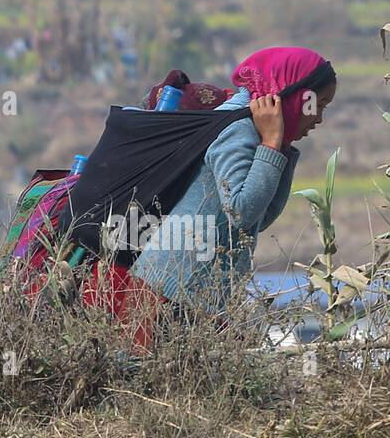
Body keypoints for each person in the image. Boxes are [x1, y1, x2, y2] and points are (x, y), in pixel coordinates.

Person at [82, 46, 336, 348]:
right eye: (317, 104)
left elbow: (259, 217)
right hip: (169, 294)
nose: (318, 118)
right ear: (293, 92)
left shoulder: (251, 129)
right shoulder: (236, 127)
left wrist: (279, 148)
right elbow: (241, 211)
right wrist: (271, 143)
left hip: (198, 296)